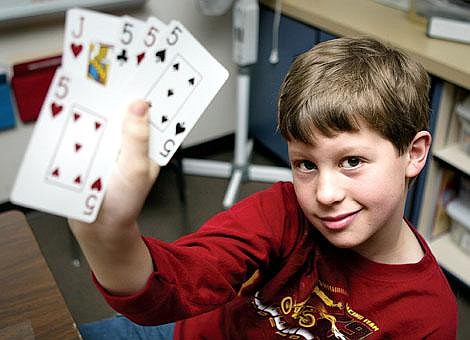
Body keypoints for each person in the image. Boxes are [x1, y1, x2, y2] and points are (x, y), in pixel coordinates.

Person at [71, 36, 458, 339]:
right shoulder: (283, 211)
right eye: (305, 164)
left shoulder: (427, 315)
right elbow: (179, 283)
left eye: (351, 161)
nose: (324, 194)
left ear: (414, 153)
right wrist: (110, 235)